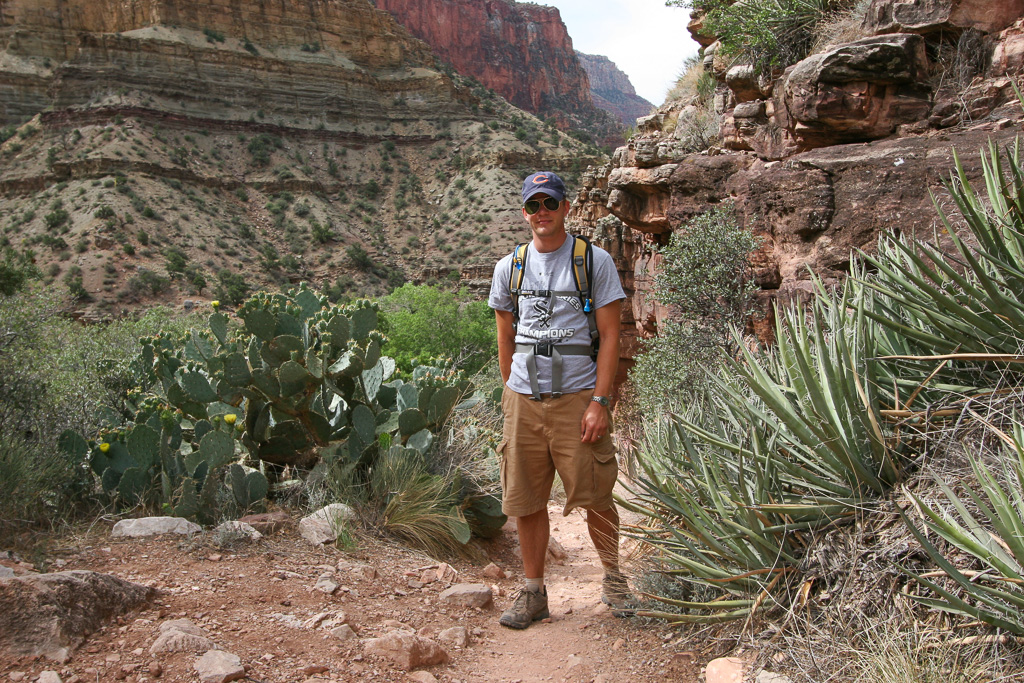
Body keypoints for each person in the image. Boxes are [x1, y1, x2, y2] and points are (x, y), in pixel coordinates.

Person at [488, 171, 632, 630]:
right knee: (526, 500)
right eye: (533, 205)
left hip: (577, 398)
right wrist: (512, 390)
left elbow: (611, 336)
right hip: (524, 401)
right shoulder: (508, 267)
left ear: (566, 206)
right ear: (524, 212)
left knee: (596, 494)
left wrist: (600, 402)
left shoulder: (594, 261)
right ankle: (533, 592)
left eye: (549, 202)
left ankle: (613, 580)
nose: (541, 212)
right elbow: (504, 335)